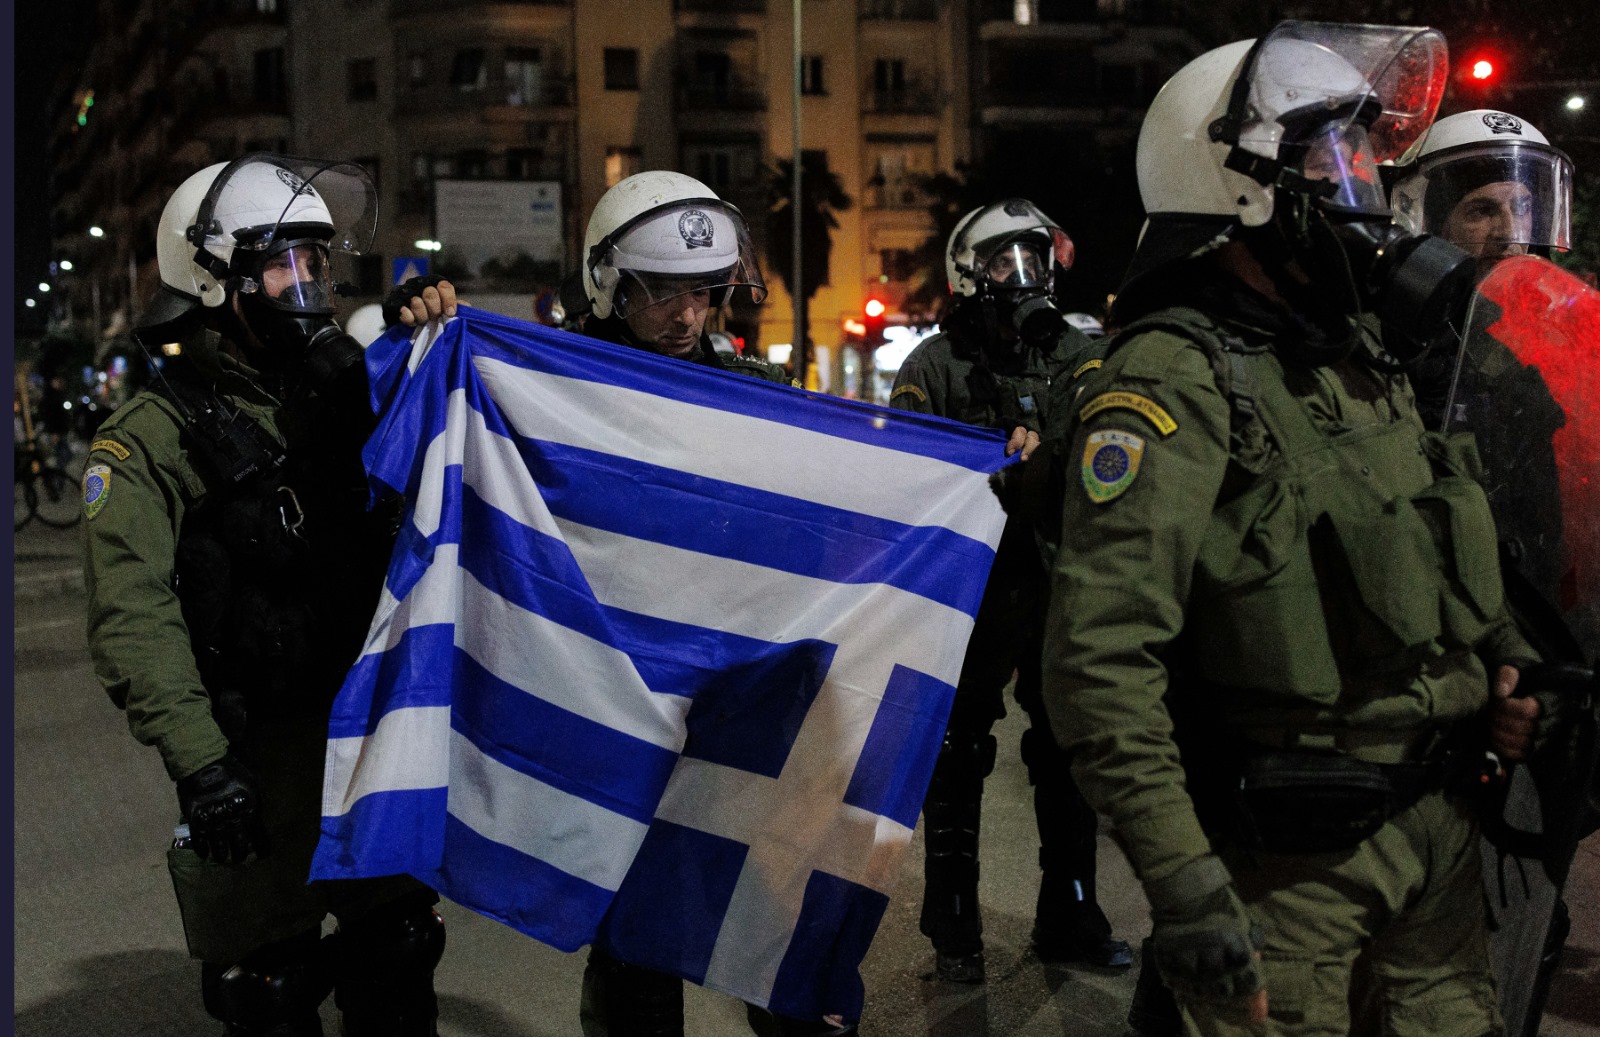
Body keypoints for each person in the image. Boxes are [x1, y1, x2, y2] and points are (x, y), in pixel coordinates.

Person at [1039, 22, 1550, 1036]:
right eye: (1331, 160)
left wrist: (1506, 662)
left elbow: (1435, 539)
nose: (1361, 188)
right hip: (1291, 868)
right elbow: (1099, 662)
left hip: (1437, 843)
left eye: (1363, 156)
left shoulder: (1357, 355)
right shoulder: (1173, 377)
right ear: (1237, 188)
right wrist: (1187, 888)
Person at [83, 154, 447, 1037]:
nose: (308, 284)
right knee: (269, 990)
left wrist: (425, 343)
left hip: (366, 738)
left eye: (317, 260)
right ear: (214, 279)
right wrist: (202, 763)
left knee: (398, 952)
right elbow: (133, 614)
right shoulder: (152, 438)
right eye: (284, 262)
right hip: (254, 754)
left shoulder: (355, 399)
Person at [887, 200, 1130, 983]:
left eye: (1034, 259)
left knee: (1067, 750)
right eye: (1004, 262)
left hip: (1059, 581)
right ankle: (953, 921)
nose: (1024, 278)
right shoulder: (933, 366)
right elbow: (909, 478)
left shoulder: (1073, 356)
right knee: (958, 750)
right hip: (973, 590)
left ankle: (1072, 911)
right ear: (969, 274)